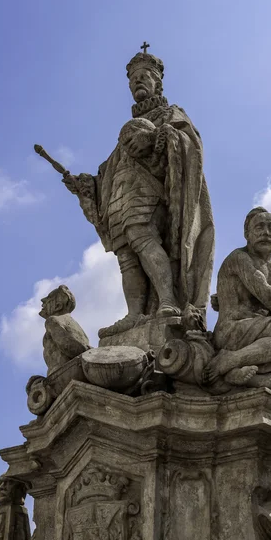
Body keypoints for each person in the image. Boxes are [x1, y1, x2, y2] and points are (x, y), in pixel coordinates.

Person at [62, 48, 214, 337]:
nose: (137, 83)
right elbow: (110, 167)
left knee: (143, 240)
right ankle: (135, 314)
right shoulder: (124, 131)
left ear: (158, 83)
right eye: (133, 80)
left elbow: (187, 143)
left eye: (144, 77)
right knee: (126, 256)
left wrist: (154, 137)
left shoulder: (169, 113)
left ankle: (168, 300)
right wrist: (88, 185)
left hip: (149, 194)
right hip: (121, 196)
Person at [204, 207, 271, 391]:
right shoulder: (240, 258)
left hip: (257, 332)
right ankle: (231, 360)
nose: (266, 233)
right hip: (232, 330)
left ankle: (241, 377)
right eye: (259, 227)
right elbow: (268, 296)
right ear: (247, 234)